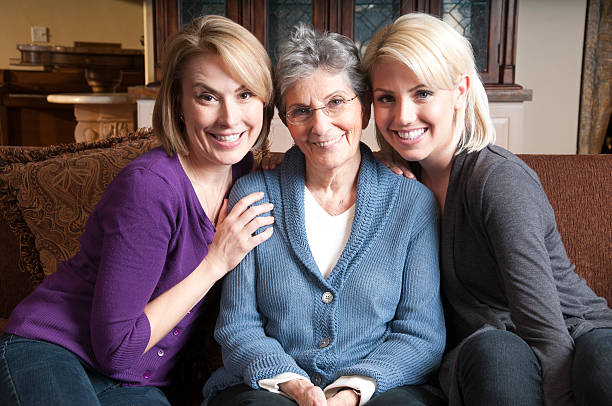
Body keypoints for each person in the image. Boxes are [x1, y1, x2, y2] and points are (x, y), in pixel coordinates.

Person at [0, 15, 275, 405]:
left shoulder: (248, 175)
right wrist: (216, 262)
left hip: (138, 383)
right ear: (178, 104)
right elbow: (117, 351)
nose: (230, 118)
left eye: (245, 93)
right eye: (207, 96)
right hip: (52, 351)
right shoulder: (150, 187)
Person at [361, 12, 612, 406]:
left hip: (573, 334)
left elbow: (544, 326)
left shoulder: (498, 180)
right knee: (497, 356)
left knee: (603, 366)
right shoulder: (395, 180)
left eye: (423, 93)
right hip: (487, 352)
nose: (403, 116)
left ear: (460, 90)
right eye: (386, 98)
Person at [201, 24, 446, 406]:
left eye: (336, 102)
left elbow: (421, 334)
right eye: (301, 111)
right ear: (285, 121)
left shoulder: (412, 204)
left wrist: (350, 392)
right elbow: (237, 326)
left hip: (378, 388)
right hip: (271, 389)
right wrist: (295, 386)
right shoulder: (253, 194)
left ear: (363, 107)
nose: (320, 126)